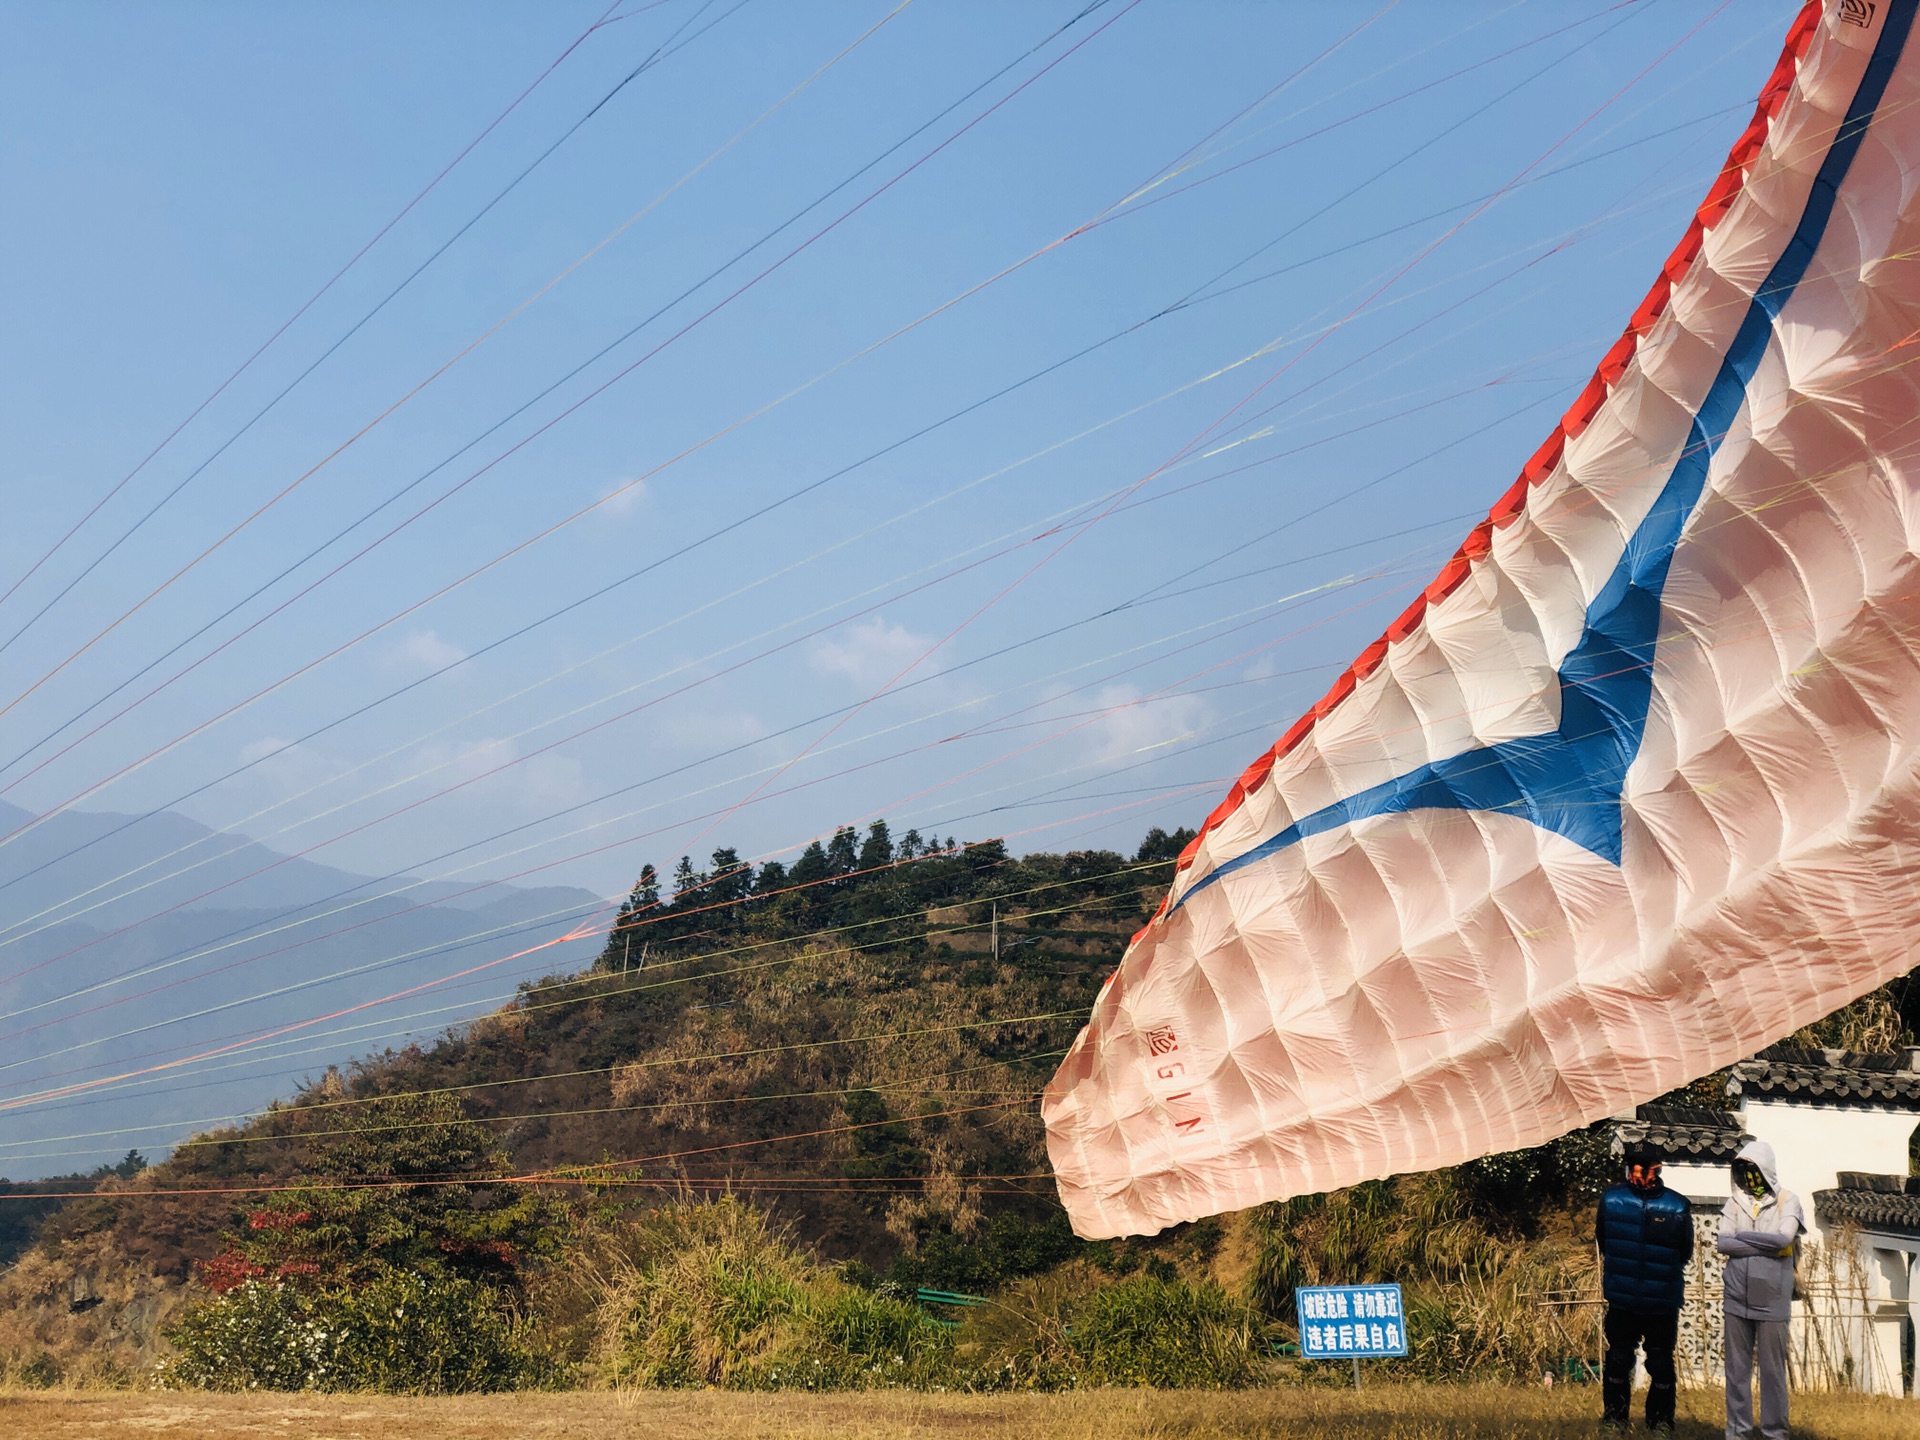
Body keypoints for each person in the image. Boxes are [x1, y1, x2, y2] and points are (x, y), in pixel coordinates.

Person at [1596, 1144, 1691, 1433]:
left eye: (1645, 1164)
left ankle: (1661, 1423)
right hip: (1622, 1296)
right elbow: (1604, 1240)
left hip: (1662, 1300)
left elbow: (1685, 1252)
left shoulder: (1677, 1206)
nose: (1639, 1170)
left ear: (1657, 1167)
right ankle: (1614, 1419)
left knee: (1661, 1362)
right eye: (1635, 1164)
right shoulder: (1611, 1200)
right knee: (1618, 1358)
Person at [1717, 1139, 1803, 1440]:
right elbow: (1722, 1243)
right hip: (1736, 1296)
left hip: (1773, 1298)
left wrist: (1743, 1237)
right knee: (1736, 1371)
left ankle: (1774, 1432)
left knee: (1772, 1372)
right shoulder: (1734, 1203)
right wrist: (1757, 1241)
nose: (1748, 1176)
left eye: (1753, 1169)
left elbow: (1784, 1239)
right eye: (1743, 1169)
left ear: (1766, 1170)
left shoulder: (1787, 1201)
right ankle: (1737, 1432)